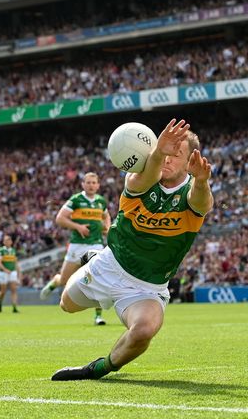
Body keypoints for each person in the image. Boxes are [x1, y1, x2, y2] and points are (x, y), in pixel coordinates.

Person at [52, 118, 213, 380]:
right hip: (111, 265)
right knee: (66, 305)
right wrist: (159, 152)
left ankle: (98, 369)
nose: (169, 158)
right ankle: (93, 259)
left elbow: (201, 204)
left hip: (147, 287)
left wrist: (202, 180)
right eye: (166, 151)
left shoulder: (195, 191)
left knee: (143, 332)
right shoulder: (139, 178)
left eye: (177, 154)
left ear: (189, 161)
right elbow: (147, 176)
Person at [40, 172, 111, 325]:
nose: (91, 185)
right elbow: (60, 218)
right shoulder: (76, 200)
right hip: (77, 245)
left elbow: (106, 216)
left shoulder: (101, 201)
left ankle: (98, 316)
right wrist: (78, 226)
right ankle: (55, 281)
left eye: (94, 182)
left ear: (98, 185)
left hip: (96, 244)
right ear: (83, 184)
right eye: (88, 182)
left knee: (97, 279)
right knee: (65, 279)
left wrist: (107, 227)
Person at [0, 235, 20, 313]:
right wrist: (5, 270)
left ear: (11, 242)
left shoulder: (13, 250)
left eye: (9, 240)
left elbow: (15, 262)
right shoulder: (0, 250)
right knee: (3, 291)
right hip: (3, 273)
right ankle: (0, 304)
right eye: (6, 240)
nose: (7, 242)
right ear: (3, 242)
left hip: (12, 272)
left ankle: (14, 307)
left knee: (14, 289)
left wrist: (18, 272)